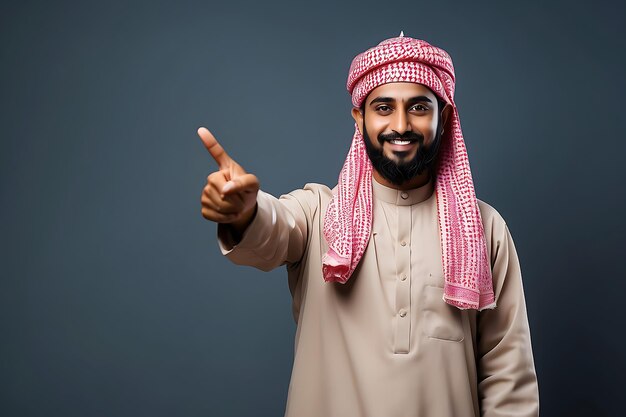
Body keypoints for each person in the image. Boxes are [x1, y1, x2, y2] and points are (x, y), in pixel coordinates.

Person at [198, 33, 539, 417]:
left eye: (418, 108)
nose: (400, 125)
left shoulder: (483, 228)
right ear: (359, 118)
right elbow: (273, 229)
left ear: (444, 117)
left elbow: (508, 374)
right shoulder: (318, 213)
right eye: (383, 107)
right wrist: (243, 212)